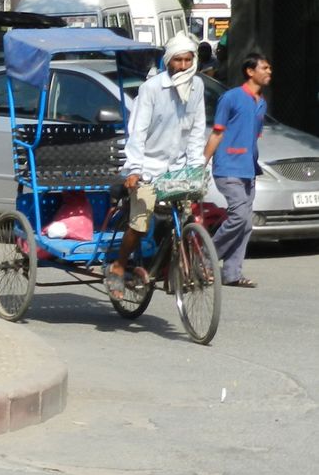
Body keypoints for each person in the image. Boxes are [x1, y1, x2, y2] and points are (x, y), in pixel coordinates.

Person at [108, 31, 206, 298]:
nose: (183, 66)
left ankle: (177, 265)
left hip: (177, 168)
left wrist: (197, 166)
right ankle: (118, 266)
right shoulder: (151, 89)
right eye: (178, 61)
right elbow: (137, 131)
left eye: (188, 60)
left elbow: (197, 131)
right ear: (168, 61)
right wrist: (135, 168)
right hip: (147, 167)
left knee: (187, 218)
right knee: (139, 222)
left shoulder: (197, 88)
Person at [204, 51, 272, 287]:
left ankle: (232, 273)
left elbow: (254, 136)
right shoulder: (231, 98)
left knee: (246, 223)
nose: (269, 72)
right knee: (239, 216)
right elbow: (217, 132)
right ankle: (204, 257)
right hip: (228, 167)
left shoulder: (261, 101)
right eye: (264, 68)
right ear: (250, 71)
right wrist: (202, 162)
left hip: (248, 170)